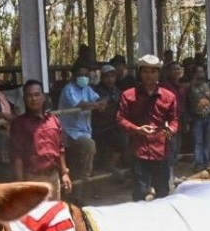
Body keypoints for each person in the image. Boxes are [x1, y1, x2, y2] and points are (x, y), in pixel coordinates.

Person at [116, 55, 178, 201]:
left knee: (163, 192)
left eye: (153, 71)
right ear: (140, 73)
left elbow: (174, 120)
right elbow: (120, 119)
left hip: (161, 151)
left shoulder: (169, 97)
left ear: (158, 73)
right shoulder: (128, 95)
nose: (149, 75)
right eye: (145, 72)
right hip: (139, 150)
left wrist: (171, 130)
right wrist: (136, 129)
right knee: (140, 191)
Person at [9, 80, 70, 200]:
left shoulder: (54, 120)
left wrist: (64, 174)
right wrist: (20, 181)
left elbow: (60, 149)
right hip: (33, 179)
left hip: (54, 177)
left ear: (43, 97)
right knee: (36, 217)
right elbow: (17, 154)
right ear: (24, 99)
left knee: (54, 215)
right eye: (29, 95)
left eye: (37, 95)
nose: (34, 99)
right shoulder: (19, 123)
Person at [57, 59, 106, 198]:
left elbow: (97, 99)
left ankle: (78, 191)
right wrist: (95, 105)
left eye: (86, 75)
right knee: (89, 146)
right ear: (74, 76)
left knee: (86, 155)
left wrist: (102, 103)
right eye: (81, 75)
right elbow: (81, 104)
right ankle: (86, 177)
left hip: (85, 131)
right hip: (70, 133)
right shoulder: (68, 90)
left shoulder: (87, 88)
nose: (84, 78)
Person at [91, 65, 126, 172]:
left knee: (122, 143)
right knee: (99, 152)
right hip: (99, 126)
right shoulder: (95, 91)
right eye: (107, 76)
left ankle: (110, 165)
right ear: (102, 77)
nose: (110, 79)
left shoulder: (117, 91)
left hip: (113, 125)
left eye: (112, 76)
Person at [187, 65, 210, 172]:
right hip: (197, 117)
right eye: (199, 72)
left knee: (208, 141)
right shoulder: (191, 86)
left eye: (202, 72)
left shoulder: (207, 85)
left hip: (209, 116)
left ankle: (206, 163)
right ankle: (198, 163)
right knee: (198, 142)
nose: (201, 74)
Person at [161, 61, 187, 181]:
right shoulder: (165, 87)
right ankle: (168, 177)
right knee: (170, 149)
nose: (176, 71)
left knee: (176, 149)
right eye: (173, 69)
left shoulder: (181, 87)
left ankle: (172, 174)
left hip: (180, 121)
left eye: (178, 69)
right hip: (169, 122)